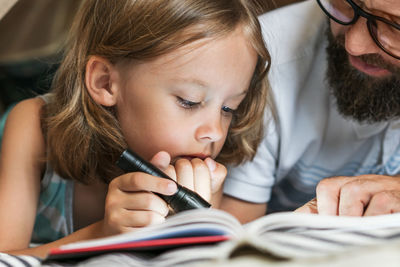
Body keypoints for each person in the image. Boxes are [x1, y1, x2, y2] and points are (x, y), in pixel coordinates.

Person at [0, 0, 271, 258]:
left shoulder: (202, 168)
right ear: (105, 83)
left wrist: (187, 229)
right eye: (189, 101)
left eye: (229, 109)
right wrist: (102, 235)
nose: (215, 131)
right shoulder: (33, 127)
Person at [220, 0, 400, 223]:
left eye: (396, 26)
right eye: (346, 5)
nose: (354, 45)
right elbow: (236, 241)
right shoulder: (260, 62)